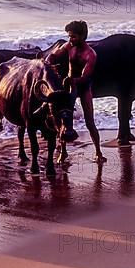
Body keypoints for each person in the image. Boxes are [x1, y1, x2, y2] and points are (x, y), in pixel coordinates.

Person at [46, 21, 107, 163]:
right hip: (69, 84)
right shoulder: (69, 45)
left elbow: (85, 76)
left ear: (82, 36)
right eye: (69, 36)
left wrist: (71, 80)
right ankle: (64, 151)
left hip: (83, 86)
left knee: (90, 122)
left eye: (73, 37)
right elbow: (54, 55)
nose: (70, 39)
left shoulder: (90, 54)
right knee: (64, 119)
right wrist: (48, 62)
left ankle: (98, 152)